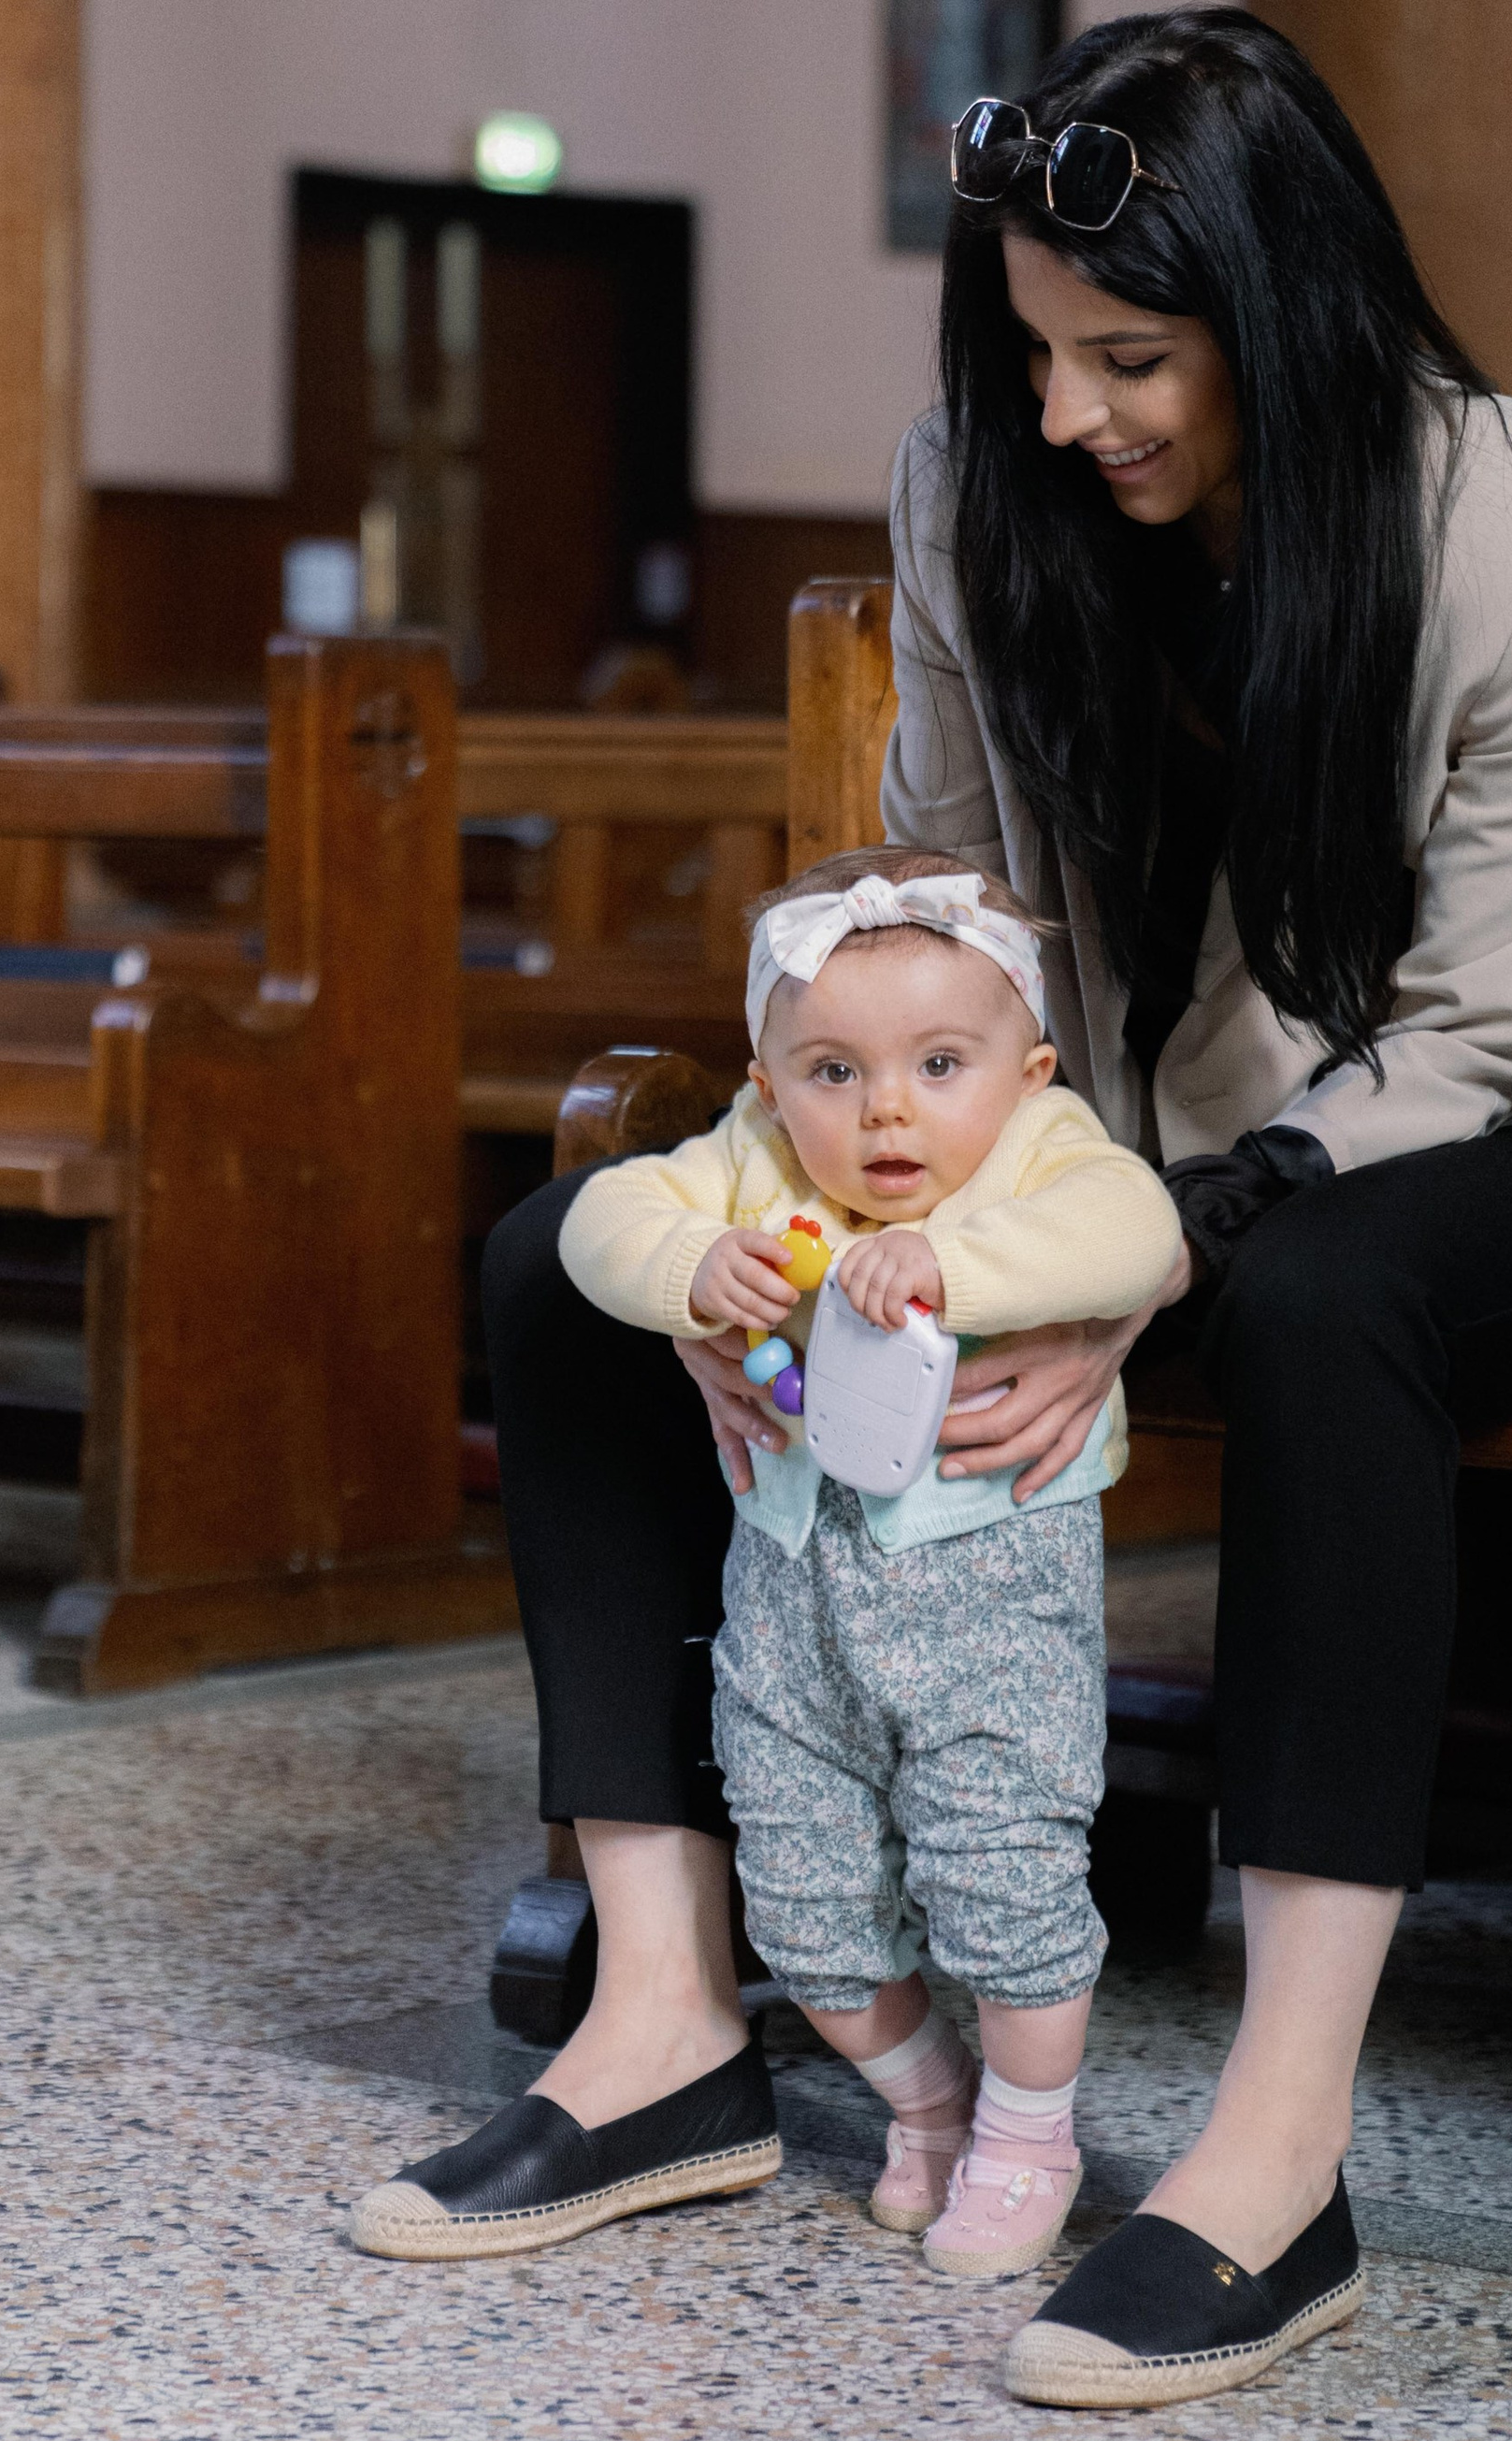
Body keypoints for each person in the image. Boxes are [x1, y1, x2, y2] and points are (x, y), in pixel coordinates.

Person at [359, 8, 1512, 2409]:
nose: (1061, 415)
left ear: (1282, 319)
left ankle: (1277, 2151)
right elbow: (947, 918)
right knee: (562, 1259)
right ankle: (670, 2016)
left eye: (1126, 358)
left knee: (1319, 1302)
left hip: (1497, 1140)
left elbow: (1492, 1025)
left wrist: (1140, 1258)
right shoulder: (972, 496)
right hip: (1086, 1148)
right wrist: (793, 1218)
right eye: (1025, 351)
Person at [355, 849, 1185, 2275]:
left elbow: (1137, 1230)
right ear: (765, 1080)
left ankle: (1030, 2137)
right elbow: (607, 1218)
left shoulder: (1047, 1157)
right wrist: (694, 1269)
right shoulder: (754, 1162)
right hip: (791, 1618)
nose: (888, 1114)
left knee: (1010, 1893)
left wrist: (948, 1267)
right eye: (833, 1074)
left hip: (989, 1615)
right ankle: (930, 2106)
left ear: (1031, 1068)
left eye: (939, 1065)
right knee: (806, 1914)